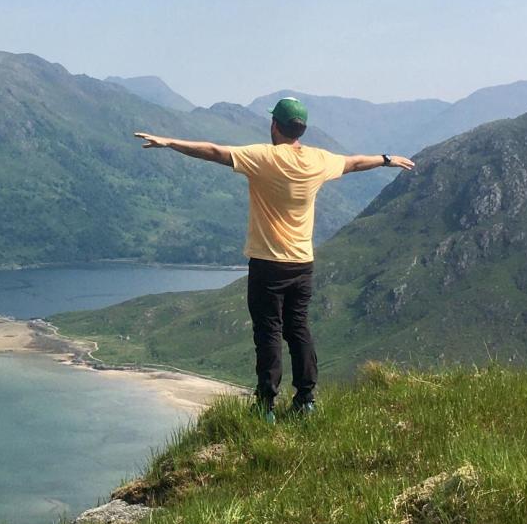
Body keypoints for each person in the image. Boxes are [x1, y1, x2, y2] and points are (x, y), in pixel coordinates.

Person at [134, 97, 414, 421]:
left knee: (268, 331)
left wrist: (168, 142)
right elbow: (353, 163)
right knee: (298, 329)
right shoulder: (318, 161)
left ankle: (266, 404)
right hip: (302, 264)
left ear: (274, 126)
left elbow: (213, 151)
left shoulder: (264, 158)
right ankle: (306, 399)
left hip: (268, 263)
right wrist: (386, 159)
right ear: (302, 130)